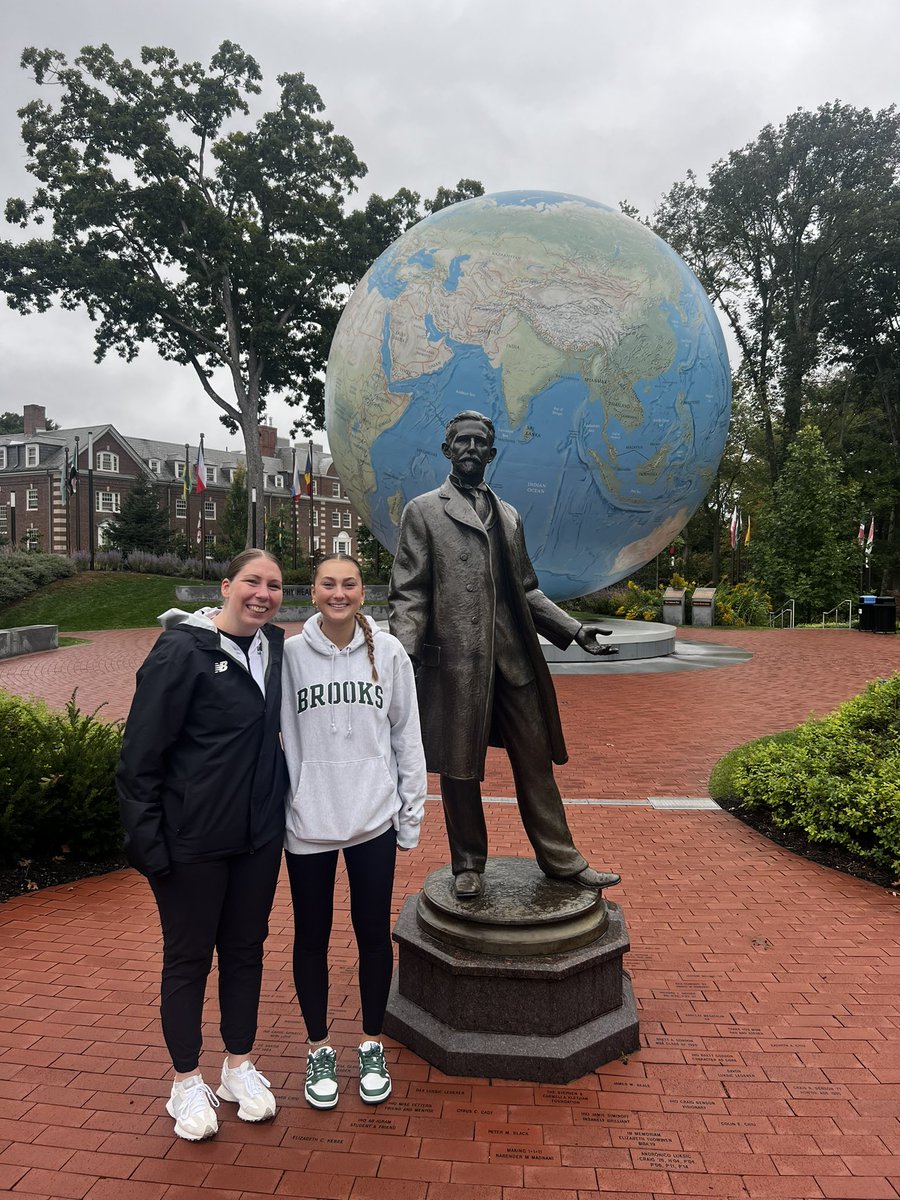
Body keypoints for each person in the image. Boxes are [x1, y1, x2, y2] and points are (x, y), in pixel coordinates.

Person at [389, 410, 620, 900]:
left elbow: (528, 591)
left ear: (492, 454)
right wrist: (403, 660)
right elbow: (410, 595)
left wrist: (575, 630)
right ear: (448, 448)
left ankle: (563, 861)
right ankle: (468, 864)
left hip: (514, 664)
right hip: (456, 664)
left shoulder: (510, 516)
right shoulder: (424, 511)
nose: (471, 448)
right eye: (462, 441)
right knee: (460, 766)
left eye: (481, 443)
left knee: (535, 762)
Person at [117, 549, 287, 1141]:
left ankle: (237, 1066)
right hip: (191, 844)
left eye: (273, 585)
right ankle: (185, 1082)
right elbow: (139, 758)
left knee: (245, 951)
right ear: (226, 586)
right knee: (188, 961)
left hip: (258, 840)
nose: (263, 593)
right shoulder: (181, 652)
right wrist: (150, 848)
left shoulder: (277, 649)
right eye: (252, 582)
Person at [281, 552, 426, 1110]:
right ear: (313, 592)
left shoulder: (388, 653)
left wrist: (409, 818)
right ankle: (318, 1046)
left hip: (372, 821)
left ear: (364, 593)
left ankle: (370, 1042)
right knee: (310, 937)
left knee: (371, 934)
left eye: (349, 584)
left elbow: (407, 740)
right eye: (327, 584)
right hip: (308, 821)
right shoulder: (288, 656)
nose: (338, 593)